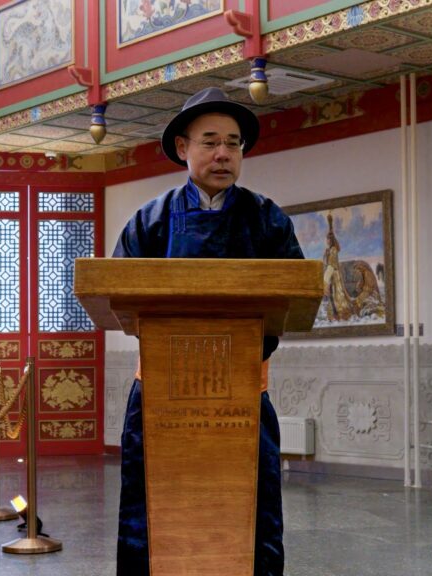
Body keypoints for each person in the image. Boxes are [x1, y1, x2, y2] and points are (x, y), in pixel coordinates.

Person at [113, 87, 303, 576]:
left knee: (250, 511)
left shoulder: (267, 220)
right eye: (210, 142)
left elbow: (295, 293)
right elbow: (118, 293)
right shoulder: (150, 221)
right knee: (154, 514)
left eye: (233, 144)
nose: (223, 154)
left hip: (243, 392)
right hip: (161, 393)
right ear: (183, 148)